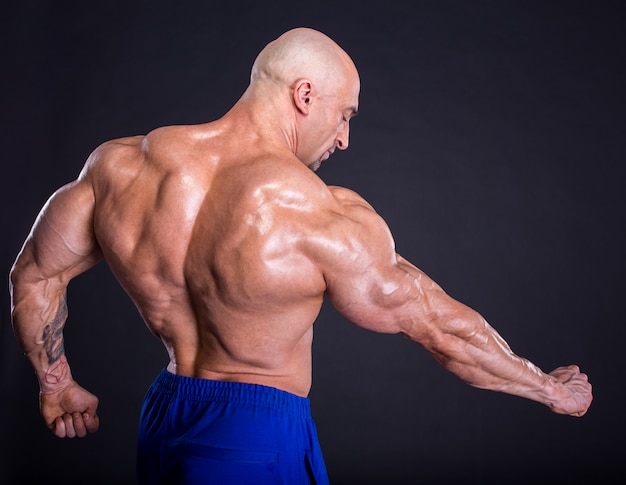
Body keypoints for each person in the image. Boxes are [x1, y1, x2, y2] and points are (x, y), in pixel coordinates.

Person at [9, 27, 592, 484]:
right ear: (304, 95)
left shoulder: (120, 167)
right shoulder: (316, 211)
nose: (343, 139)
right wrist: (545, 387)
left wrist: (54, 383)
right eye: (345, 116)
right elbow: (440, 327)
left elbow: (34, 274)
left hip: (162, 419)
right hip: (252, 436)